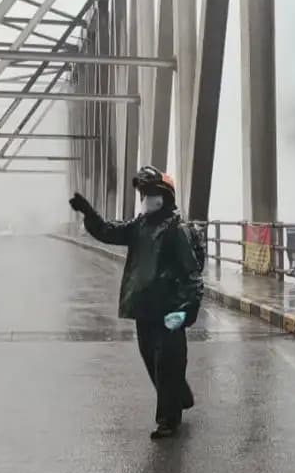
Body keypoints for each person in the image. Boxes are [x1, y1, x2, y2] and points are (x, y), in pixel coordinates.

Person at [68, 166, 203, 440]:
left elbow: (191, 274)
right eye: (144, 193)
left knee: (167, 362)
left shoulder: (176, 230)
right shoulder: (140, 226)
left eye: (151, 193)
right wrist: (88, 213)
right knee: (151, 361)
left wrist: (186, 310)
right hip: (144, 307)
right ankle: (180, 395)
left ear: (165, 197)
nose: (146, 198)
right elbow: (109, 231)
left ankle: (168, 420)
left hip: (169, 309)